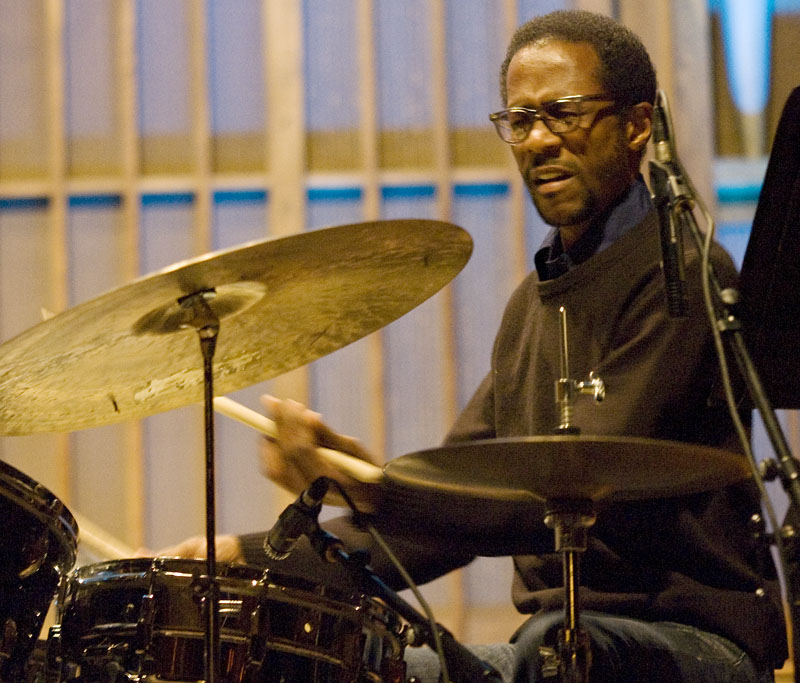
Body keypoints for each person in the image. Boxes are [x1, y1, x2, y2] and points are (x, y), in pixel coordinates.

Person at [163, 10, 787, 682]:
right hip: (564, 642)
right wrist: (248, 556)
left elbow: (567, 495)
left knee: (543, 653)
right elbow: (452, 505)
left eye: (564, 112)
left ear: (638, 123)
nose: (539, 139)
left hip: (688, 640)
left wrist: (373, 485)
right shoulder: (531, 305)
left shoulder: (682, 282)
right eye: (520, 120)